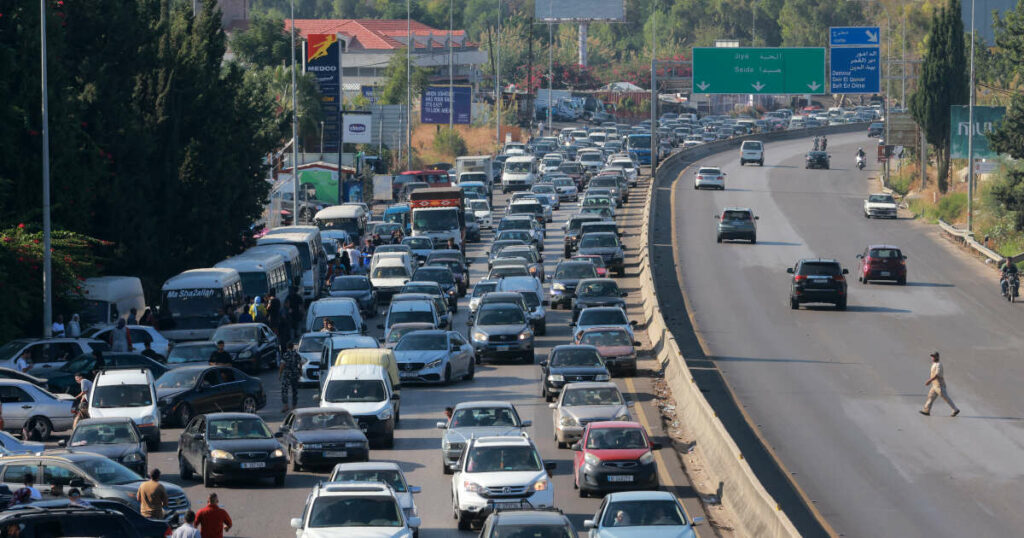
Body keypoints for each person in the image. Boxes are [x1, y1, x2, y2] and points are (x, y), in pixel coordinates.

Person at [920, 352, 960, 417]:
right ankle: (926, 410)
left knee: (946, 398)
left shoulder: (939, 365)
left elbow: (937, 375)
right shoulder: (934, 364)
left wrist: (929, 381)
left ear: (937, 357)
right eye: (932, 356)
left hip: (939, 385)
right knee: (930, 396)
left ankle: (955, 409)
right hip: (934, 385)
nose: (932, 358)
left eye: (934, 357)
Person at [278, 345, 301, 413]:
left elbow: (282, 365)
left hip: (287, 375)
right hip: (295, 375)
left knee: (284, 391)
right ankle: (294, 407)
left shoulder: (285, 355)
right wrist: (300, 373)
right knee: (295, 391)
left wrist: (280, 374)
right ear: (293, 347)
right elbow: (300, 365)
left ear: (287, 348)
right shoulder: (297, 355)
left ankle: (286, 406)